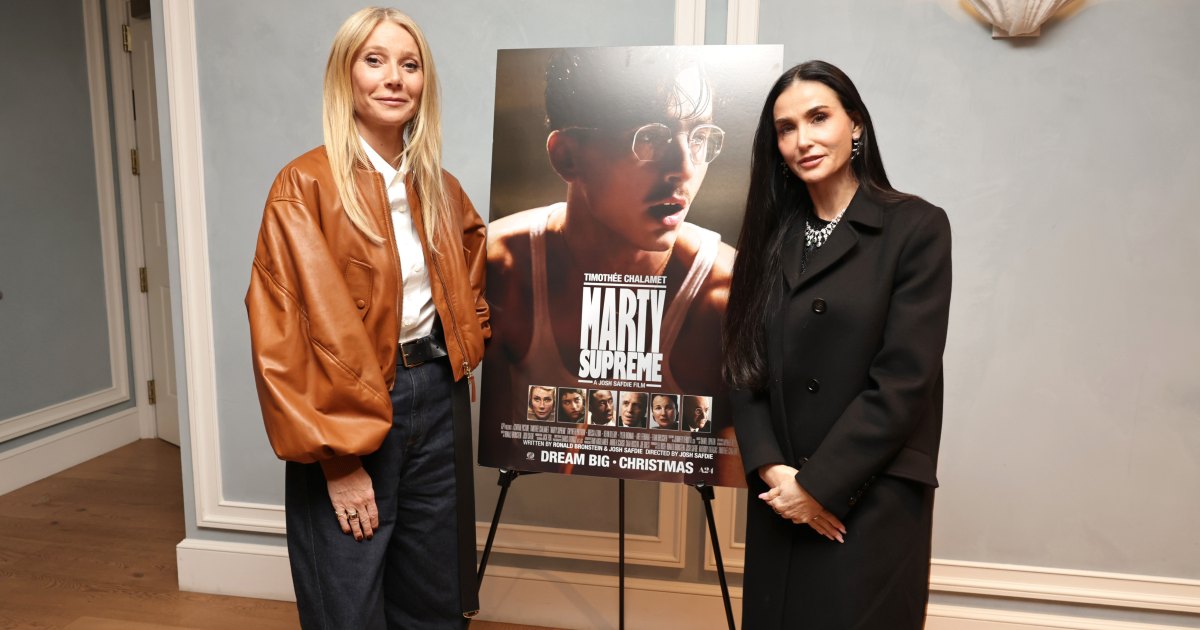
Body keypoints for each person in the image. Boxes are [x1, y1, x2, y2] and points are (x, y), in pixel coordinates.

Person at [245, 8, 489, 627]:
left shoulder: (441, 189)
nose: (394, 78)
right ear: (345, 75)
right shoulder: (303, 187)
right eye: (374, 61)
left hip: (437, 400)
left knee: (434, 602)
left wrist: (464, 352)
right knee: (347, 608)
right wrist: (336, 459)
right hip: (350, 413)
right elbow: (284, 340)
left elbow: (472, 290)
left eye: (410, 65)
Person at [723, 60, 952, 629]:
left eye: (818, 117)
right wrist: (775, 472)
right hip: (781, 496)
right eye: (786, 128)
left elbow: (904, 381)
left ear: (855, 125)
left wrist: (819, 486)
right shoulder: (768, 238)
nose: (802, 139)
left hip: (870, 496)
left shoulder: (916, 227)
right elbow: (741, 366)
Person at [483, 47, 735, 425]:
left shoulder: (724, 294)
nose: (685, 168)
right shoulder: (500, 267)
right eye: (650, 137)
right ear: (567, 157)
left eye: (699, 137)